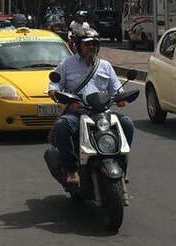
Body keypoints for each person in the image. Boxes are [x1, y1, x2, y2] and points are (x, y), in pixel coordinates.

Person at [48, 32, 133, 187]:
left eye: (94, 44)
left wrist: (121, 98)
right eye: (87, 44)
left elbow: (116, 89)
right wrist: (54, 92)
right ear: (79, 46)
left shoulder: (105, 66)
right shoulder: (67, 64)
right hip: (78, 111)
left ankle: (122, 166)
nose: (91, 47)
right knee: (61, 126)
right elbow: (55, 84)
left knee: (127, 123)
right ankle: (71, 170)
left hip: (102, 112)